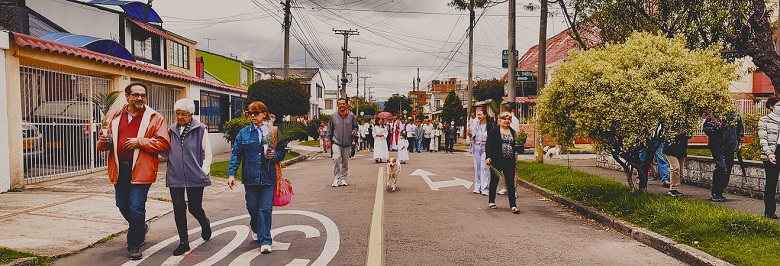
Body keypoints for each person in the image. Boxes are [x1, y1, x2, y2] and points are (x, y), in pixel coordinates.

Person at [96, 82, 171, 260]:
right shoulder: (113, 115)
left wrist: (141, 142)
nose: (140, 98)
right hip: (119, 169)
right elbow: (101, 143)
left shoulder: (155, 118)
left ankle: (134, 245)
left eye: (143, 95)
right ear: (127, 96)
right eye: (136, 95)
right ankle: (141, 227)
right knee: (122, 204)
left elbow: (164, 144)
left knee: (136, 207)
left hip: (142, 170)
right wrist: (103, 144)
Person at [227, 101, 288, 254]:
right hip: (250, 178)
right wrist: (231, 174)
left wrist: (276, 156)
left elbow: (282, 150)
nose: (252, 116)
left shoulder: (272, 132)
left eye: (256, 113)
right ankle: (255, 227)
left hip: (268, 178)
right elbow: (236, 154)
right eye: (250, 113)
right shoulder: (244, 133)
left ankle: (265, 240)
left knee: (265, 209)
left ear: (264, 114)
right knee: (253, 207)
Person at [166, 98, 213, 256]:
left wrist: (203, 171)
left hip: (195, 175)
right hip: (175, 175)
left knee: (194, 207)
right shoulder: (171, 129)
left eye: (184, 114)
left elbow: (208, 153)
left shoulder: (200, 129)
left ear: (191, 114)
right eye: (177, 114)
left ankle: (204, 223)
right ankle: (184, 242)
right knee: (178, 207)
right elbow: (166, 150)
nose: (180, 117)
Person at [703, 111, 744, 202]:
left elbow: (740, 129)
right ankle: (715, 191)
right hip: (717, 146)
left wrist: (740, 141)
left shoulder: (735, 115)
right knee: (722, 167)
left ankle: (720, 191)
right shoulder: (714, 116)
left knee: (728, 168)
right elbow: (706, 129)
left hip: (730, 146)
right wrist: (717, 128)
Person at [486, 112, 520, 214]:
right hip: (496, 160)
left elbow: (515, 146)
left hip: (509, 160)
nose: (506, 121)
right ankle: (491, 201)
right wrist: (488, 157)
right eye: (504, 119)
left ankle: (513, 206)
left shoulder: (513, 132)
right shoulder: (493, 132)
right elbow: (489, 146)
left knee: (510, 183)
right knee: (494, 180)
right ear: (499, 121)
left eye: (508, 119)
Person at [327, 98, 359, 187]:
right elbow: (330, 129)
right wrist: (328, 140)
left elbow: (355, 127)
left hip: (347, 142)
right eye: (340, 104)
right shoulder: (333, 116)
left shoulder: (351, 116)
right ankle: (336, 178)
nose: (342, 105)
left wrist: (354, 131)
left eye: (343, 104)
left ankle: (343, 178)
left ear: (346, 105)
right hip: (336, 142)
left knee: (345, 162)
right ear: (337, 105)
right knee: (336, 159)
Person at [758, 95, 780, 219]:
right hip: (772, 153)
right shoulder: (764, 120)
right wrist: (769, 153)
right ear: (771, 106)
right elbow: (763, 139)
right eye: (778, 105)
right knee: (771, 183)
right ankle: (769, 212)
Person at [468, 110, 492, 195]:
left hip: (485, 148)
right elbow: (472, 136)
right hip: (476, 147)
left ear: (485, 115)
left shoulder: (489, 126)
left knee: (484, 167)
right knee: (477, 167)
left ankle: (485, 188)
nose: (478, 116)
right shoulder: (476, 124)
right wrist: (469, 133)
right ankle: (477, 187)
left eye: (480, 114)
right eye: (478, 115)